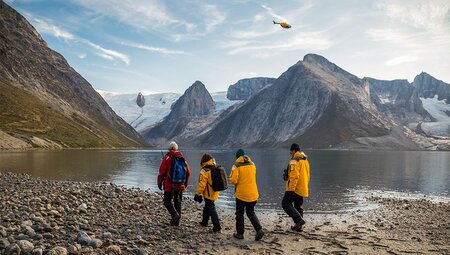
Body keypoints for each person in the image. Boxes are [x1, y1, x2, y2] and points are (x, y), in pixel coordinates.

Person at [229, 149, 264, 241]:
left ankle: (240, 234)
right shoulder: (253, 164)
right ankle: (259, 229)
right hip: (253, 193)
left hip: (241, 194)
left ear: (237, 157)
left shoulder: (236, 166)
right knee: (250, 212)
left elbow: (233, 180)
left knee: (239, 213)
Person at [158, 141, 191, 226]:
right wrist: (185, 184)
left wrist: (159, 183)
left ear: (169, 149)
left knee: (166, 201)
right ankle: (177, 222)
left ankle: (174, 214)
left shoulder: (167, 158)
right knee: (178, 201)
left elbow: (161, 172)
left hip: (169, 184)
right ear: (177, 149)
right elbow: (188, 172)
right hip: (180, 185)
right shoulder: (182, 158)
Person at [282, 143, 310, 232]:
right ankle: (299, 227)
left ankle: (298, 220)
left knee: (285, 203)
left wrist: (290, 189)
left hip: (295, 187)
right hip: (302, 186)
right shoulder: (304, 160)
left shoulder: (294, 160)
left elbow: (294, 176)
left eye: (291, 151)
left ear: (294, 150)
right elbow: (307, 174)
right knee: (298, 206)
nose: (290, 152)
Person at [193, 154, 221, 233]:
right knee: (207, 206)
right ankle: (204, 221)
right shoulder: (214, 167)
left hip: (209, 193)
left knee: (211, 208)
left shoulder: (204, 170)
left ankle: (217, 226)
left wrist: (197, 193)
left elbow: (202, 184)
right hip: (215, 191)